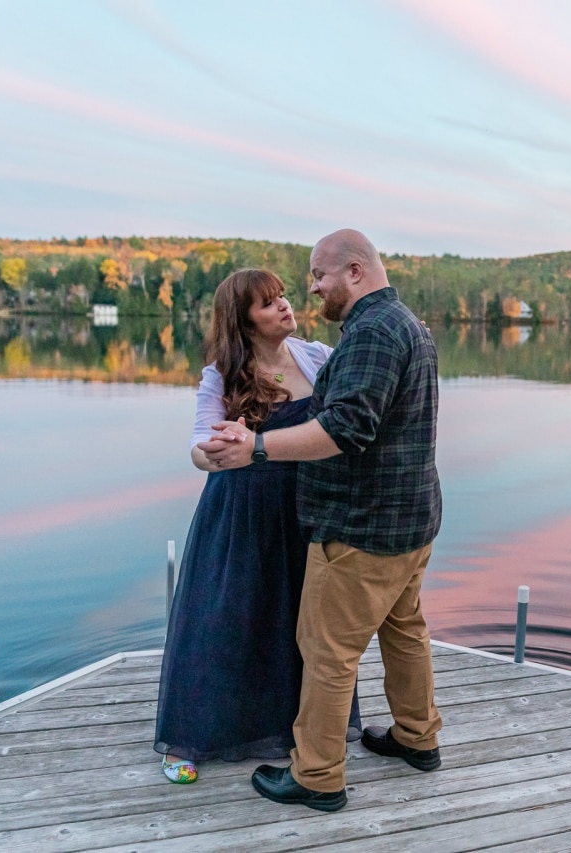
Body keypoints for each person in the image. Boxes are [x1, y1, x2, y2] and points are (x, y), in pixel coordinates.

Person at [199, 229, 443, 813]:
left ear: (354, 271)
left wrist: (257, 448)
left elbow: (345, 430)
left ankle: (317, 776)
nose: (311, 290)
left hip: (364, 528)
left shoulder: (369, 337)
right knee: (405, 631)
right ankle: (417, 737)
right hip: (412, 521)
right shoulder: (407, 325)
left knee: (328, 653)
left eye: (318, 276)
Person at [155, 268, 362, 784]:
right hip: (240, 512)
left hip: (304, 510)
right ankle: (189, 737)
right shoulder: (221, 374)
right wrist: (216, 453)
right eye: (269, 304)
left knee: (301, 623)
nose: (286, 306)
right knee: (222, 621)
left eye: (283, 297)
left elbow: (360, 393)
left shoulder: (316, 356)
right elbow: (200, 447)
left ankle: (294, 729)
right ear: (243, 321)